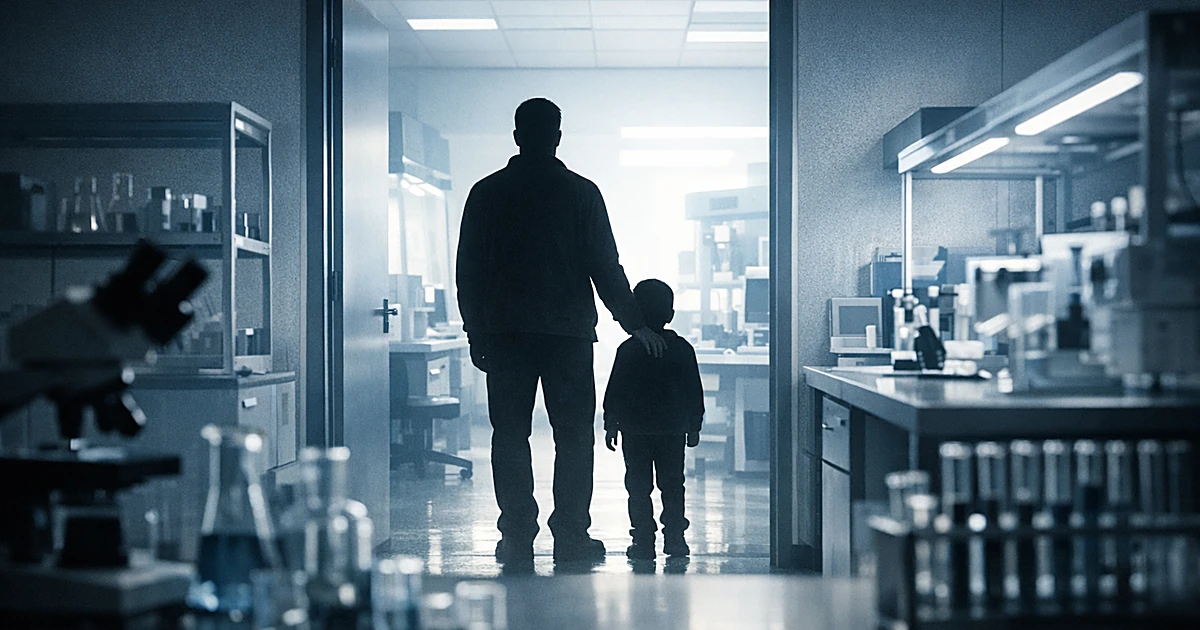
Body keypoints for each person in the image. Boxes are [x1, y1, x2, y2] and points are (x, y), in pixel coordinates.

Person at [456, 97, 668, 568]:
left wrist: (476, 333)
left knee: (508, 435)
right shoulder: (581, 193)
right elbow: (605, 267)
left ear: (516, 135)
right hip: (568, 336)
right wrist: (635, 324)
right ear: (557, 136)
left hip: (506, 336)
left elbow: (468, 272)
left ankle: (516, 535)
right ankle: (571, 535)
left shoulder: (487, 193)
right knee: (573, 437)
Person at [603, 279, 704, 560]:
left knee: (638, 486)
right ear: (671, 314)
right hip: (672, 431)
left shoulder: (628, 349)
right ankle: (675, 538)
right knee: (673, 484)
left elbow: (616, 390)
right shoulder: (683, 349)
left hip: (635, 431)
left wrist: (611, 423)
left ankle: (643, 541)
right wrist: (694, 426)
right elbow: (694, 392)